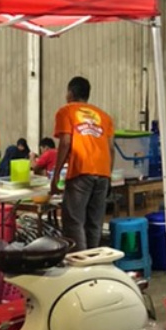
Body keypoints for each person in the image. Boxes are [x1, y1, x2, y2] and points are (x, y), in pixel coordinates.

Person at [50, 76, 114, 251]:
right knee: (95, 222)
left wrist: (56, 175)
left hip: (81, 171)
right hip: (103, 173)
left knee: (74, 222)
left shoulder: (66, 111)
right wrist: (108, 176)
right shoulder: (103, 116)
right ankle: (93, 259)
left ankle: (80, 261)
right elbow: (111, 149)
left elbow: (65, 142)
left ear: (70, 93)